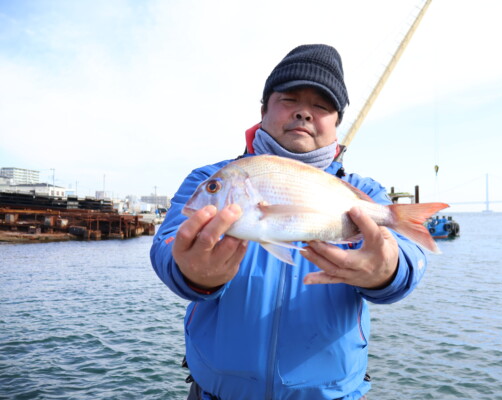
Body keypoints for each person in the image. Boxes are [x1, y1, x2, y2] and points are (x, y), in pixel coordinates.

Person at [150, 44, 428, 400]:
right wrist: (193, 272)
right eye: (289, 99)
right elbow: (167, 245)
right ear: (264, 109)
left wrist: (386, 270)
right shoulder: (211, 176)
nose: (304, 114)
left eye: (322, 106)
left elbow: (411, 259)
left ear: (337, 123)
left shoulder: (363, 191)